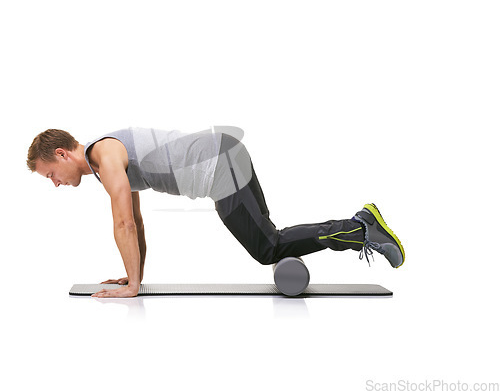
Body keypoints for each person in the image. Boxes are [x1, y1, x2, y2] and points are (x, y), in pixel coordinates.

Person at [27, 126, 405, 298]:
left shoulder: (104, 155)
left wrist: (133, 287)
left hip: (219, 167)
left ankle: (360, 228)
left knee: (266, 249)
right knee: (269, 241)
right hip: (224, 156)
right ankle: (360, 227)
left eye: (51, 174)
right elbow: (136, 222)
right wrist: (131, 276)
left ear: (62, 154)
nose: (56, 183)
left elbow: (123, 221)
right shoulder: (104, 161)